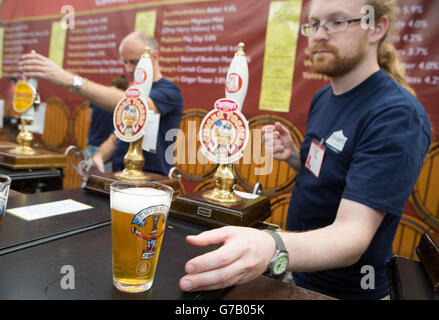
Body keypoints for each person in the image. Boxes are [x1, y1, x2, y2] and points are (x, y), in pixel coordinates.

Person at [178, 0, 431, 300]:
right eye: (313, 24)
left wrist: (271, 245)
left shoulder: (397, 115)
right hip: (298, 276)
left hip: (349, 293)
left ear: (376, 27)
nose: (320, 35)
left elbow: (352, 237)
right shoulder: (324, 97)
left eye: (337, 22)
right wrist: (296, 157)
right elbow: (334, 173)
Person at [19, 31, 183, 176]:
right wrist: (98, 157)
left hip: (153, 181)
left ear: (154, 57)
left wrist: (71, 80)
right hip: (119, 177)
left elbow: (136, 105)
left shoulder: (169, 92)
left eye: (134, 61)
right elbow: (116, 138)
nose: (129, 69)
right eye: (125, 62)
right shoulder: (133, 89)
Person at [86, 76, 129, 172]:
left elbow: (89, 120)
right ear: (123, 89)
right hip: (106, 146)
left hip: (92, 141)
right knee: (100, 179)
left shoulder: (98, 97)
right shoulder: (119, 101)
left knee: (88, 175)